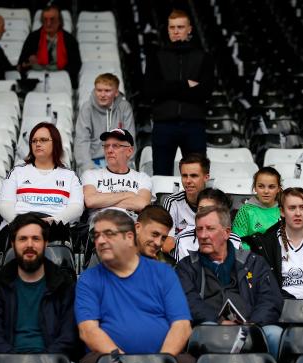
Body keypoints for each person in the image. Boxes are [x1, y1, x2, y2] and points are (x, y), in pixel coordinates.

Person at [75, 210, 193, 363]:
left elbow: (182, 327)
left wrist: (160, 362)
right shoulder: (89, 279)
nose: (100, 241)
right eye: (96, 236)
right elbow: (88, 331)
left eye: (108, 235)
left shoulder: (164, 273)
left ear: (129, 237)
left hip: (162, 357)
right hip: (111, 360)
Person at [0, 214, 80, 363]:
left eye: (36, 238)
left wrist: (42, 361)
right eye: (23, 239)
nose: (29, 244)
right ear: (13, 244)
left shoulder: (65, 286)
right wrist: (16, 362)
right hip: (4, 361)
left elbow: (69, 337)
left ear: (45, 243)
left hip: (51, 361)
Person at [176, 205, 283, 356]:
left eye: (210, 229)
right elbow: (188, 302)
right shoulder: (186, 267)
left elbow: (270, 299)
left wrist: (254, 324)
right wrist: (217, 322)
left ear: (226, 233)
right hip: (210, 326)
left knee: (274, 334)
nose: (203, 235)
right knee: (207, 329)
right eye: (199, 229)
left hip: (251, 325)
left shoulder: (253, 262)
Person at [144, 9, 214, 176]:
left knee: (196, 175)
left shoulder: (203, 57)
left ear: (189, 29)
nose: (175, 31)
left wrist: (167, 88)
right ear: (167, 29)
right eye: (172, 27)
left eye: (180, 27)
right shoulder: (156, 57)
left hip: (194, 124)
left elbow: (205, 92)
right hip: (164, 124)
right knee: (161, 175)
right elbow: (150, 91)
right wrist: (185, 85)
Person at [246, 188, 303, 300]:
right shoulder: (265, 244)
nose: (298, 213)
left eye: (302, 207)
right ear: (282, 212)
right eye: (292, 208)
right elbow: (262, 284)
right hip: (277, 308)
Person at [0, 122, 84, 227]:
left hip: (56, 229)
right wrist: (24, 224)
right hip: (19, 226)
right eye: (34, 141)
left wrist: (52, 221)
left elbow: (77, 207)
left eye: (43, 140)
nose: (37, 144)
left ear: (55, 143)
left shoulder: (70, 176)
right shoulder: (16, 172)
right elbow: (5, 205)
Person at [82, 128, 152, 226]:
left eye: (115, 146)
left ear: (129, 151)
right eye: (106, 146)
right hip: (100, 229)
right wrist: (128, 194)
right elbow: (90, 201)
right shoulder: (91, 175)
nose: (109, 150)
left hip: (130, 229)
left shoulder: (142, 178)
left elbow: (142, 204)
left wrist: (102, 201)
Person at [74, 73, 136, 172]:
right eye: (99, 90)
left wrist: (124, 167)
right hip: (93, 163)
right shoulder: (87, 108)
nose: (102, 95)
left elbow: (129, 139)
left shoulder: (124, 107)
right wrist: (89, 169)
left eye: (107, 91)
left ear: (116, 92)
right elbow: (81, 141)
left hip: (120, 162)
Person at [17, 4, 81, 87]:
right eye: (45, 20)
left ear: (59, 21)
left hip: (61, 79)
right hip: (36, 80)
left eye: (52, 20)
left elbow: (76, 65)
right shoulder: (33, 38)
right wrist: (28, 63)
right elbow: (21, 64)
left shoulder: (69, 39)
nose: (48, 23)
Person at [174, 188, 242, 263]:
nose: (204, 214)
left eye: (210, 210)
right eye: (201, 209)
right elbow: (182, 273)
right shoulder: (183, 240)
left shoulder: (234, 240)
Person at [162, 153, 210, 253]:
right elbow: (167, 245)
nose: (188, 181)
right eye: (184, 176)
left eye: (194, 176)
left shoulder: (217, 202)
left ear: (206, 177)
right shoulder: (172, 202)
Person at [232, 167, 282, 243]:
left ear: (278, 188)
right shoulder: (245, 211)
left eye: (271, 187)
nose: (266, 191)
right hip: (251, 254)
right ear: (255, 188)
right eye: (261, 186)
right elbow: (238, 242)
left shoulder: (285, 210)